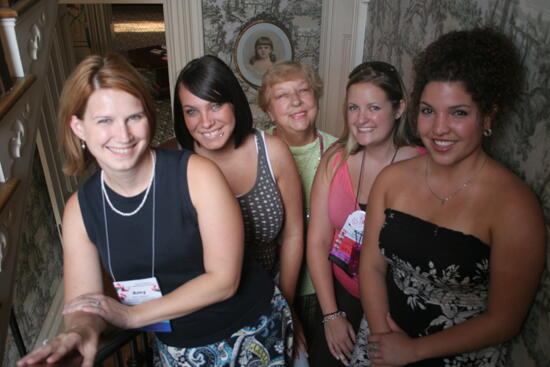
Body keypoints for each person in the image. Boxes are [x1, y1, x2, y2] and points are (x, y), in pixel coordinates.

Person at [17, 53, 292, 367]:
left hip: (248, 331)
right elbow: (83, 304)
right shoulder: (79, 209)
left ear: (149, 116)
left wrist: (132, 315)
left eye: (133, 117)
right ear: (78, 127)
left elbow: (224, 279)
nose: (123, 135)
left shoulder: (198, 174)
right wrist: (79, 331)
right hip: (175, 348)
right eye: (104, 120)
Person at [352, 28, 546, 367]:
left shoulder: (514, 206)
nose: (439, 128)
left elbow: (505, 320)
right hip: (382, 344)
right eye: (428, 111)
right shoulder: (392, 180)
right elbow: (369, 266)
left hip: (459, 357)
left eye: (458, 113)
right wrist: (383, 336)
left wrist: (412, 352)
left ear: (488, 116)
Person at [171, 55, 303, 354]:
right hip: (203, 315)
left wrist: (287, 306)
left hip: (269, 300)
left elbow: (293, 234)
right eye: (192, 111)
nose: (206, 122)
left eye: (215, 105)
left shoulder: (272, 152)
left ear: (234, 102)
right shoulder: (175, 164)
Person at [307, 61, 421, 367]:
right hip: (341, 298)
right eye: (353, 108)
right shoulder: (335, 160)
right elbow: (318, 240)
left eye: (373, 107)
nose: (361, 119)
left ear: (399, 109)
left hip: (397, 306)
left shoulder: (422, 165)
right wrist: (331, 314)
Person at [258, 60, 338, 354]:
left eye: (304, 90)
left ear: (316, 97)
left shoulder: (338, 151)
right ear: (269, 111)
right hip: (273, 288)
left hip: (325, 288)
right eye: (282, 96)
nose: (296, 101)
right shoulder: (258, 154)